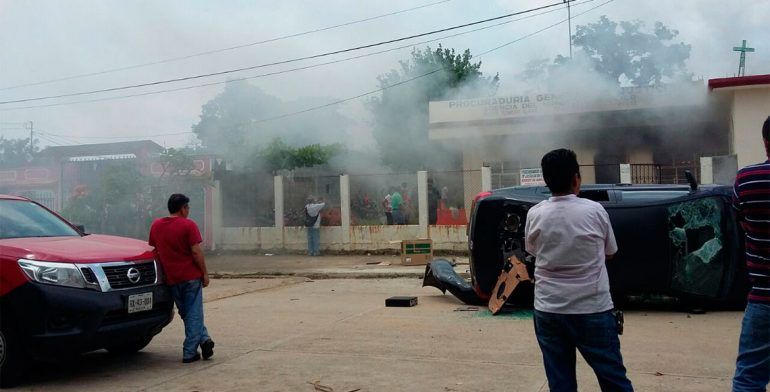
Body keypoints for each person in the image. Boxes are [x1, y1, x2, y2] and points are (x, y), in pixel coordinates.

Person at [524, 149, 633, 391]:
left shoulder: (535, 213)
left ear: (546, 181)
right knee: (614, 379)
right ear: (576, 179)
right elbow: (610, 252)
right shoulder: (594, 211)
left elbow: (532, 250)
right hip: (592, 309)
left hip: (548, 309)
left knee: (560, 383)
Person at [149, 194, 214, 363]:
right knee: (194, 313)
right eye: (188, 208)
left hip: (171, 278)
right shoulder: (188, 225)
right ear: (183, 208)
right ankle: (189, 351)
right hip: (190, 276)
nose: (189, 211)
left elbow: (154, 249)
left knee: (188, 313)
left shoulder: (156, 225)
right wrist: (205, 273)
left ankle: (205, 339)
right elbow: (196, 251)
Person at [732, 116, 770, 392]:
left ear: (765, 143)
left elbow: (742, 223)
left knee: (749, 379)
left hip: (763, 298)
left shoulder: (746, 179)